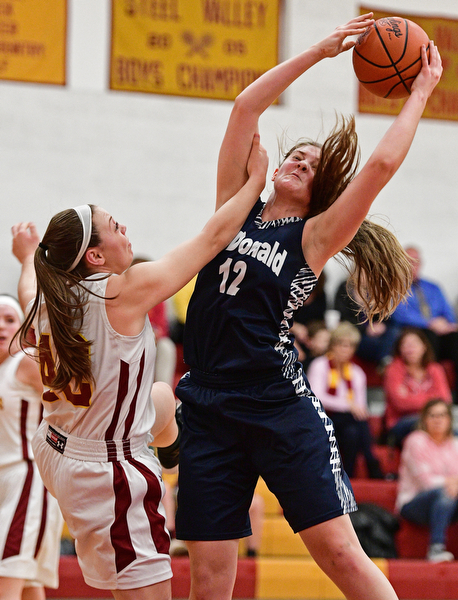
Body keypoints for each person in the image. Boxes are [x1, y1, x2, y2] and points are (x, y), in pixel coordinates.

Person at [174, 13, 442, 600]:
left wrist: (420, 92)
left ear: (323, 192)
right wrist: (318, 53)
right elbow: (245, 107)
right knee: (209, 577)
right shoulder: (234, 208)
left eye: (314, 164)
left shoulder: (315, 237)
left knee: (342, 554)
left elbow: (379, 167)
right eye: (296, 153)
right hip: (208, 405)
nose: (300, 161)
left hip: (276, 405)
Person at [10, 134, 268, 600]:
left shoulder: (51, 294)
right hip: (108, 471)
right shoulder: (120, 291)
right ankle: (167, 461)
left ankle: (171, 454)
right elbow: (211, 239)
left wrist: (28, 258)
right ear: (95, 256)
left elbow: (28, 288)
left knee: (163, 398)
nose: (124, 227)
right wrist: (254, 186)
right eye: (114, 225)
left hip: (55, 446)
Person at [0, 294, 63, 600]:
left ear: (22, 328)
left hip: (27, 478)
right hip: (4, 481)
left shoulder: (26, 363)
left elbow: (69, 403)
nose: (1, 326)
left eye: (9, 320)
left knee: (7, 574)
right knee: (26, 583)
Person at [307, 322, 384, 479]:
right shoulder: (320, 365)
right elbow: (316, 397)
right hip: (322, 418)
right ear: (332, 346)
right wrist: (348, 406)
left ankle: (348, 476)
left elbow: (360, 406)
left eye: (349, 346)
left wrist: (352, 408)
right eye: (341, 344)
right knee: (355, 422)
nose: (345, 349)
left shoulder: (357, 372)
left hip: (347, 423)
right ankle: (371, 461)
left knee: (352, 433)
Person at [390, 246, 458, 399]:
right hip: (417, 330)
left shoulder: (433, 287)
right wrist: (429, 323)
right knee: (427, 337)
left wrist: (448, 325)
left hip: (440, 331)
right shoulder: (395, 287)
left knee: (455, 340)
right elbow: (399, 314)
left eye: (416, 262)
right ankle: (431, 392)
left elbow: (448, 311)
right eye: (409, 262)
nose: (413, 266)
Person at [396, 398, 458, 562]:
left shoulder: (455, 444)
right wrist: (453, 483)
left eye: (442, 415)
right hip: (414, 504)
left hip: (449, 504)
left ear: (449, 420)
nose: (438, 420)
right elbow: (426, 483)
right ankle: (436, 548)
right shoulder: (416, 441)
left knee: (448, 494)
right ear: (424, 420)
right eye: (432, 415)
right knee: (445, 493)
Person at [383, 327, 452, 447]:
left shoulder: (435, 369)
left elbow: (445, 400)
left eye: (414, 344)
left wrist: (410, 397)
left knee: (450, 430)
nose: (410, 348)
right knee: (429, 425)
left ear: (424, 347)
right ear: (400, 349)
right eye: (405, 345)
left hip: (433, 419)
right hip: (401, 422)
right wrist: (431, 399)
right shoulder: (393, 369)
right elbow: (400, 403)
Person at [131, 256, 177, 388]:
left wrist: (153, 334)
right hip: (131, 342)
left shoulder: (159, 299)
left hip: (153, 341)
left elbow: (163, 328)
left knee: (166, 347)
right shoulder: (125, 296)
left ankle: (163, 389)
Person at [334, 277, 398, 368]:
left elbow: (386, 315)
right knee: (373, 343)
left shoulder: (377, 290)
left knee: (394, 331)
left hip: (374, 330)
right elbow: (343, 316)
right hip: (356, 330)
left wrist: (381, 325)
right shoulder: (345, 287)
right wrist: (366, 328)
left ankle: (384, 360)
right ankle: (383, 361)